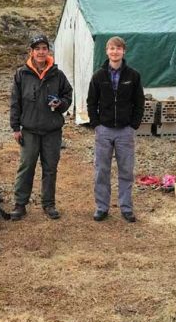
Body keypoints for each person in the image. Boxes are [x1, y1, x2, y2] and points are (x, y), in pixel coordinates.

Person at [9, 34, 73, 221]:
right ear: (31, 52)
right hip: (29, 130)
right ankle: (20, 205)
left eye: (44, 48)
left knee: (50, 168)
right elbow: (15, 102)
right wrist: (15, 127)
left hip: (52, 131)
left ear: (48, 51)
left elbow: (68, 96)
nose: (41, 52)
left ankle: (49, 204)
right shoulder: (21, 74)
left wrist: (60, 104)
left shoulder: (57, 74)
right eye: (37, 49)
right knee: (26, 167)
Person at [86, 36, 144, 223]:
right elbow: (91, 102)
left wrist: (133, 124)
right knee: (102, 170)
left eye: (118, 48)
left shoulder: (133, 76)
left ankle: (126, 208)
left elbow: (139, 102)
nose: (115, 52)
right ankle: (102, 207)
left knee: (126, 170)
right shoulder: (98, 76)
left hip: (125, 131)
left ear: (124, 51)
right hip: (104, 130)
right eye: (111, 48)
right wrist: (96, 124)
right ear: (106, 51)